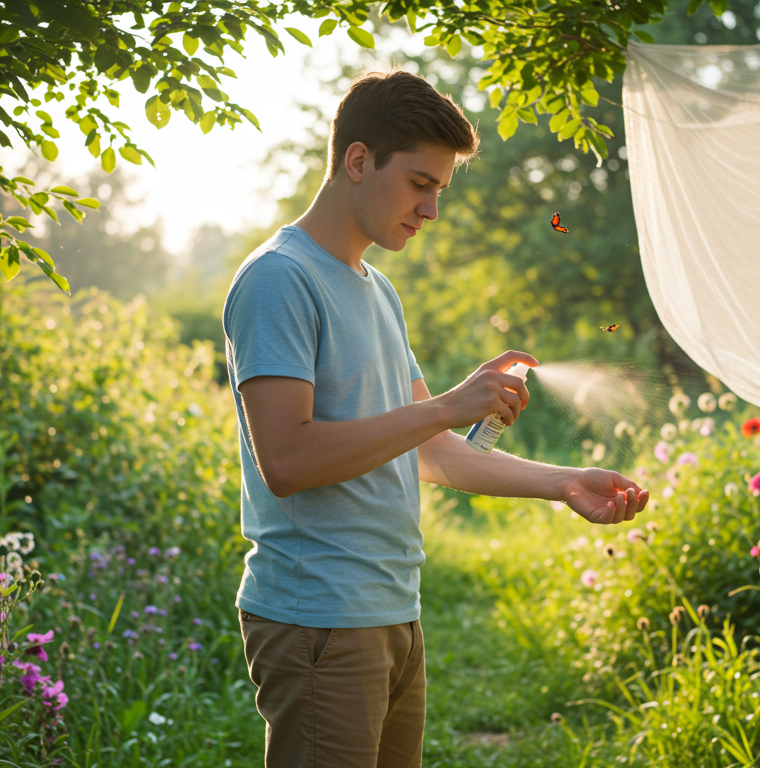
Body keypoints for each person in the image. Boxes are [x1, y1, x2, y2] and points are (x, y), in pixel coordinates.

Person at [221, 68, 649, 768]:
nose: (432, 210)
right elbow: (288, 461)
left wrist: (568, 482)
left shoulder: (377, 290)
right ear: (358, 161)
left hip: (392, 611)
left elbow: (437, 450)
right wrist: (447, 404)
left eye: (440, 191)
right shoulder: (279, 279)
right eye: (421, 184)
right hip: (318, 619)